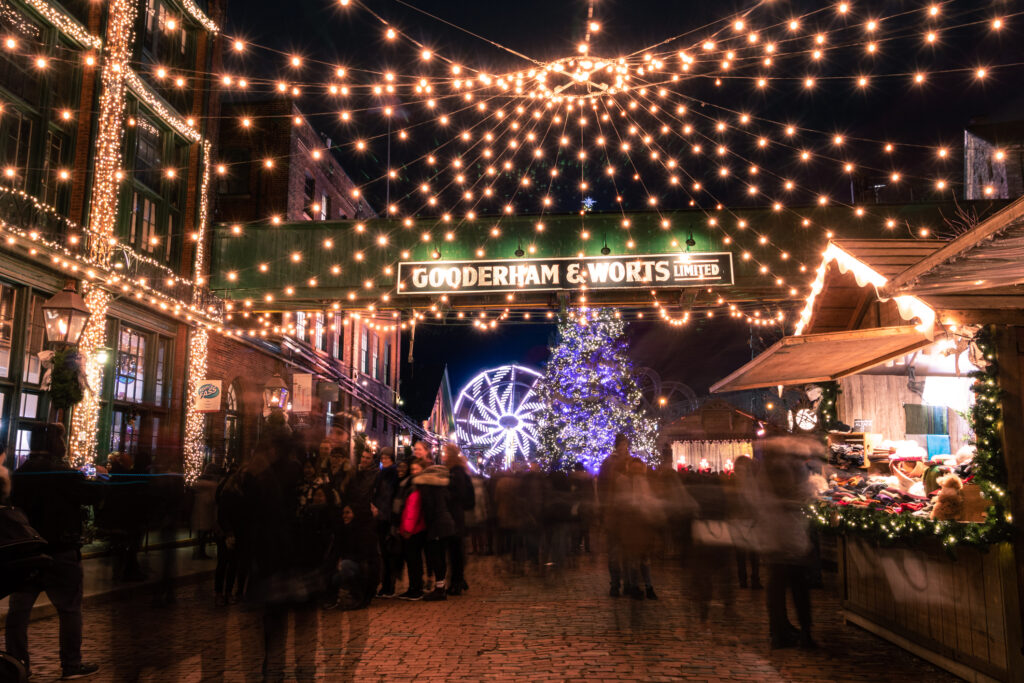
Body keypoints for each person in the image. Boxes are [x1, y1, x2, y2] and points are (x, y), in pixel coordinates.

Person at [5, 423, 103, 680]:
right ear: (54, 444)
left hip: (26, 552)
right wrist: (101, 477)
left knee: (19, 612)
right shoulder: (64, 473)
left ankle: (17, 664)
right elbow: (93, 496)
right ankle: (71, 665)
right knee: (69, 609)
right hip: (60, 549)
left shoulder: (21, 472)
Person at [759, 438, 816, 649]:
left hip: (776, 539)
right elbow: (806, 495)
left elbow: (760, 501)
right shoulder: (793, 472)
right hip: (790, 538)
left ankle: (780, 631)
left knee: (777, 589)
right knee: (798, 588)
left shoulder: (766, 474)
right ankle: (803, 632)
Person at [411, 458, 455, 601]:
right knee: (440, 557)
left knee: (436, 557)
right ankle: (441, 586)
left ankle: (439, 588)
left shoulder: (427, 488)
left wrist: (429, 527)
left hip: (437, 526)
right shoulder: (442, 488)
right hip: (446, 524)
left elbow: (429, 509)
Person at [597, 433, 632, 596]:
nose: (624, 448)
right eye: (622, 445)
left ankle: (627, 583)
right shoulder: (609, 462)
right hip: (614, 511)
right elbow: (603, 486)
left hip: (628, 512)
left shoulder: (632, 462)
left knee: (627, 551)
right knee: (615, 551)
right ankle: (616, 583)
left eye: (626, 445)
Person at [442, 444, 474, 595]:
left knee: (455, 551)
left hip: (455, 515)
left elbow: (459, 494)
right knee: (454, 551)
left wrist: (445, 495)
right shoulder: (454, 470)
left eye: (445, 452)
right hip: (454, 514)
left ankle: (457, 582)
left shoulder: (456, 472)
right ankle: (458, 580)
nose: (443, 455)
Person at [397, 460, 428, 600]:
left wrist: (407, 529)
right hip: (413, 528)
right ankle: (414, 587)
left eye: (417, 469)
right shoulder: (414, 486)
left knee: (413, 560)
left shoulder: (417, 488)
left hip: (414, 530)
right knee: (412, 560)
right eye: (413, 469)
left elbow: (413, 510)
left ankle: (416, 588)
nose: (414, 472)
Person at [372, 448, 399, 597]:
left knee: (387, 553)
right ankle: (386, 584)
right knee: (383, 553)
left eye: (387, 457)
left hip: (386, 518)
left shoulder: (390, 474)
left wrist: (382, 511)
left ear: (391, 459)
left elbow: (388, 496)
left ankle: (388, 585)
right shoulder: (382, 473)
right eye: (382, 457)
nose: (384, 459)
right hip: (381, 516)